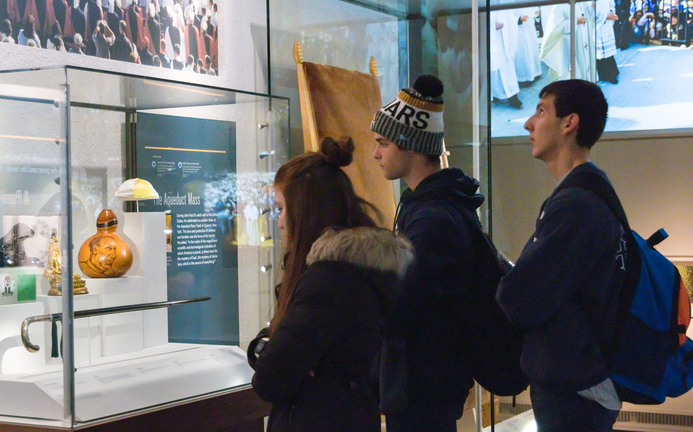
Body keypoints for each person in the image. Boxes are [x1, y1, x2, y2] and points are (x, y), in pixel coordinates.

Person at [249, 137, 413, 432]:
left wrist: (274, 352)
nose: (281, 222)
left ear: (306, 211)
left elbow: (270, 379)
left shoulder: (329, 280)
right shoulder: (358, 270)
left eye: (283, 209)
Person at [496, 79, 626, 432]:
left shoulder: (576, 205)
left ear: (569, 123)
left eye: (540, 111)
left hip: (573, 390)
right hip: (580, 382)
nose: (528, 124)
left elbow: (519, 298)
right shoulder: (588, 194)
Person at [370, 74, 484, 432]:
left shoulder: (432, 218)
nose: (375, 153)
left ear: (409, 144)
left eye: (383, 143)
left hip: (424, 382)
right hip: (428, 379)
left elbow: (403, 299)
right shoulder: (432, 206)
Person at [490, 9, 522, 108]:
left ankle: (512, 96)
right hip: (491, 39)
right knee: (494, 70)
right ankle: (495, 94)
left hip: (503, 39)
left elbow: (509, 18)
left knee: (507, 68)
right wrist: (492, 27)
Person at [514, 7, 542, 86]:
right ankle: (524, 77)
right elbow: (507, 17)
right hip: (520, 30)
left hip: (530, 28)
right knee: (524, 52)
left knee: (532, 50)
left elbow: (534, 10)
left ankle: (535, 72)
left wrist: (537, 14)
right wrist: (519, 19)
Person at [595, 0, 620, 84]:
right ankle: (603, 74)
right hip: (596, 26)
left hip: (607, 24)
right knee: (599, 53)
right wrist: (605, 16)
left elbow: (612, 4)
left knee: (607, 52)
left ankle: (611, 74)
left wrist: (611, 13)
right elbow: (588, 9)